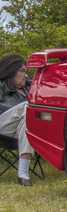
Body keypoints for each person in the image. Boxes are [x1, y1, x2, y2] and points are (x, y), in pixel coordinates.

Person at [0, 54, 35, 186]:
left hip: (23, 132)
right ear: (11, 70)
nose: (25, 75)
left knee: (28, 119)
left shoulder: (30, 88)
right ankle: (23, 172)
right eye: (22, 71)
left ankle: (23, 174)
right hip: (3, 129)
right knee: (27, 107)